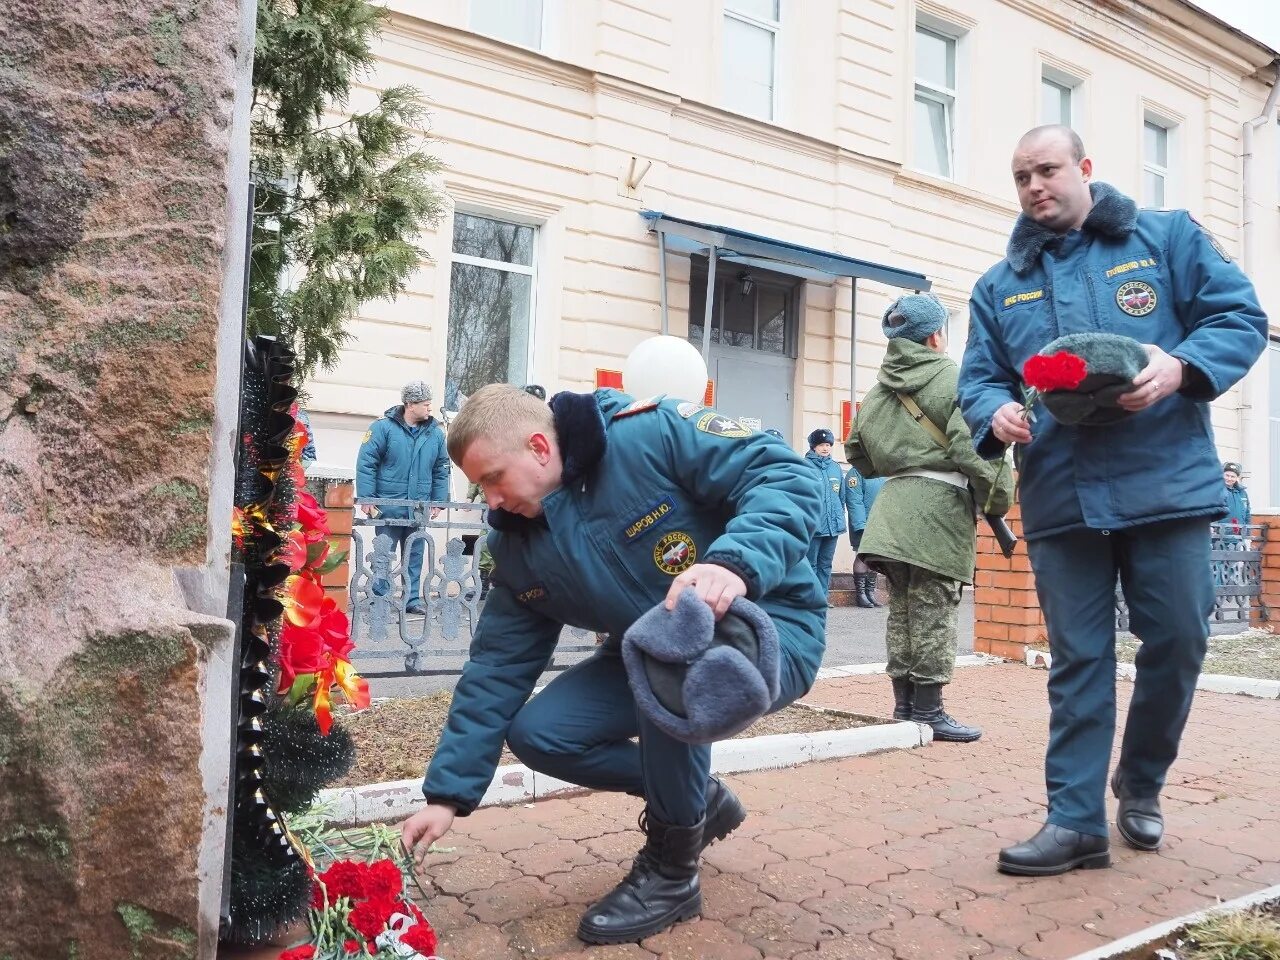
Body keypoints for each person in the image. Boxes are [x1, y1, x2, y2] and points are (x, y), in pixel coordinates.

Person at [399, 385, 827, 943]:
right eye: (480, 487)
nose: (491, 501)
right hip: (653, 650)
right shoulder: (519, 547)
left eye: (492, 479)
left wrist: (734, 563)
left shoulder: (649, 434)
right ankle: (698, 801)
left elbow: (787, 477)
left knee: (664, 674)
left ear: (538, 447)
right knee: (541, 733)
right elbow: (496, 669)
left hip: (769, 625)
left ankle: (674, 872)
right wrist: (446, 796)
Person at [958, 125, 1267, 876]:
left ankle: (1141, 780)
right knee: (1079, 660)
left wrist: (1181, 366)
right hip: (1062, 497)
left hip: (1166, 486)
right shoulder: (999, 286)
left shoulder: (1165, 238)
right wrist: (993, 413)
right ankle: (1075, 821)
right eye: (1022, 175)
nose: (1036, 186)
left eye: (1048, 170)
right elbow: (979, 379)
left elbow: (1240, 318)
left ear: (1085, 168)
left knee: (1179, 644)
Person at [846, 293, 1013, 739]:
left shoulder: (878, 390)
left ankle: (904, 705)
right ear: (936, 334)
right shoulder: (953, 377)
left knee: (900, 610)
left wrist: (904, 458)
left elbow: (858, 453)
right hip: (937, 512)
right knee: (935, 608)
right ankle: (930, 712)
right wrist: (999, 497)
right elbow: (972, 447)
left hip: (891, 510)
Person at [356, 380, 451, 615]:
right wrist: (367, 497)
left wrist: (438, 501)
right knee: (383, 553)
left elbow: (441, 468)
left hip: (419, 506)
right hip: (388, 504)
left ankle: (411, 599)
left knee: (415, 554)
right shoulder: (382, 428)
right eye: (425, 404)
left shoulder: (435, 435)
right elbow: (366, 463)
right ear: (410, 404)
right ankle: (381, 596)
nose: (430, 409)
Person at [804, 428, 845, 601]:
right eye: (821, 445)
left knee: (826, 565)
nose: (825, 448)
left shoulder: (835, 468)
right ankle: (811, 598)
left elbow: (841, 497)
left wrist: (839, 516)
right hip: (813, 525)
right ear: (814, 447)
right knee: (810, 564)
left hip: (833, 526)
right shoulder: (804, 466)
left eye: (828, 444)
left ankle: (822, 598)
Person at [843, 464, 886, 608]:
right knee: (863, 556)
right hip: (864, 523)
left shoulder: (882, 470)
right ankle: (860, 595)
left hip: (879, 524)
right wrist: (861, 525)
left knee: (874, 558)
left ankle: (870, 593)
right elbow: (854, 501)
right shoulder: (855, 473)